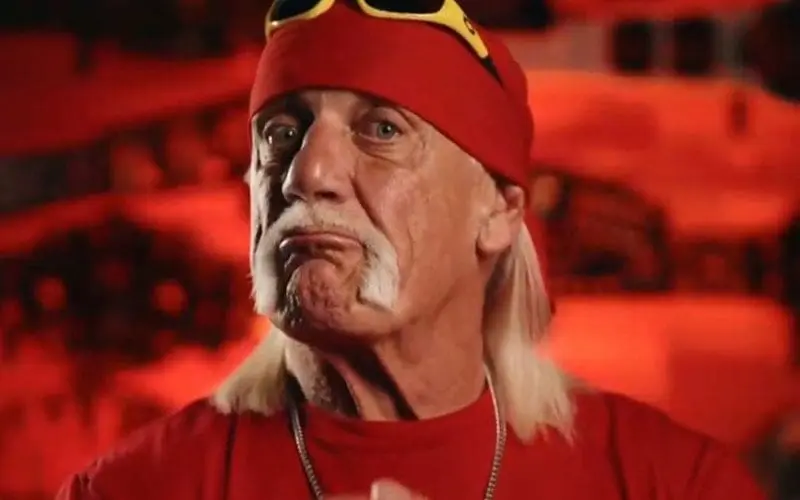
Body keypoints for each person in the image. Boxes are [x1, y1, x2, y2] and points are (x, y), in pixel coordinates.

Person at [57, 1, 766, 498]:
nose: (308, 172)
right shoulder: (132, 490)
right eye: (280, 133)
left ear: (498, 212)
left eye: (382, 131)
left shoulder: (669, 483)